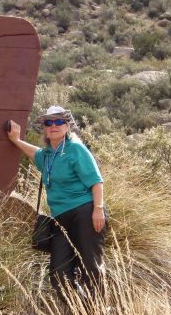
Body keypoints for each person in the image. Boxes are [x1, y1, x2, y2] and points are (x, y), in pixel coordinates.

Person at [7, 105, 107, 298]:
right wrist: (16, 140)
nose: (54, 125)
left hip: (84, 214)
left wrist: (98, 209)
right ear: (44, 128)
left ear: (67, 126)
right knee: (59, 274)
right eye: (49, 122)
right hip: (61, 220)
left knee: (91, 266)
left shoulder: (75, 149)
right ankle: (79, 313)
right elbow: (34, 153)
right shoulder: (47, 155)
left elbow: (96, 181)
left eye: (59, 121)